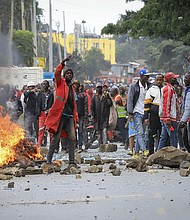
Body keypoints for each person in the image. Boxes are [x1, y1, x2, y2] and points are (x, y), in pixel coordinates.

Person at [45, 56, 78, 168]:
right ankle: (48, 160)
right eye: (67, 73)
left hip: (69, 116)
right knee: (56, 138)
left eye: (71, 74)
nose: (69, 75)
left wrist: (76, 117)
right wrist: (62, 64)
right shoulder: (60, 83)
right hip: (60, 115)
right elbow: (57, 73)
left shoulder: (72, 87)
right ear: (64, 76)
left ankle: (72, 161)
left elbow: (73, 104)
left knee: (72, 138)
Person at [127, 69, 152, 158]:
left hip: (145, 112)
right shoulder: (134, 86)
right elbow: (130, 99)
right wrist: (130, 113)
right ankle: (144, 149)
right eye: (146, 76)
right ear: (141, 76)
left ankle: (136, 152)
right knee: (139, 132)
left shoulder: (149, 86)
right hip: (136, 112)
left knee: (141, 133)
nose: (148, 78)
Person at [158, 72, 179, 149]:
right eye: (173, 78)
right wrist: (167, 117)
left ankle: (157, 155)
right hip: (169, 118)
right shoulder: (168, 89)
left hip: (166, 117)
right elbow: (166, 104)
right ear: (170, 79)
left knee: (163, 138)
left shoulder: (169, 88)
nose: (175, 79)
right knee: (173, 138)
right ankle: (175, 155)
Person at [144, 74, 164, 155]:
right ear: (155, 80)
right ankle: (151, 152)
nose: (159, 81)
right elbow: (146, 104)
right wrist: (146, 117)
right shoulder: (151, 90)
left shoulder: (165, 89)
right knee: (152, 133)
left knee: (162, 133)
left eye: (160, 80)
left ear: (163, 80)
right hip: (153, 115)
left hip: (163, 115)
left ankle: (161, 151)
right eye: (157, 80)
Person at [90, 82, 113, 146]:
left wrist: (108, 97)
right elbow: (92, 107)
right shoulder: (94, 97)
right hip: (97, 117)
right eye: (98, 88)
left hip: (105, 117)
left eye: (100, 88)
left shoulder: (105, 96)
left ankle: (105, 144)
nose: (99, 89)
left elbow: (110, 104)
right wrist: (92, 115)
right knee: (99, 132)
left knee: (104, 131)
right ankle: (100, 144)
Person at [36, 80, 54, 148]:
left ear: (48, 85)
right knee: (41, 130)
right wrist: (38, 114)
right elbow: (38, 104)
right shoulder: (40, 94)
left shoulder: (51, 94)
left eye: (45, 84)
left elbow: (53, 104)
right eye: (43, 84)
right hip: (42, 113)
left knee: (51, 131)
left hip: (49, 113)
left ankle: (52, 146)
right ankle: (39, 145)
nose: (44, 85)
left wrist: (50, 111)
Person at [179, 72, 190, 152]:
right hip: (187, 119)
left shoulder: (189, 92)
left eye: (186, 78)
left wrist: (183, 121)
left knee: (187, 139)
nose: (184, 80)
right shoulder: (186, 90)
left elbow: (188, 107)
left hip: (188, 119)